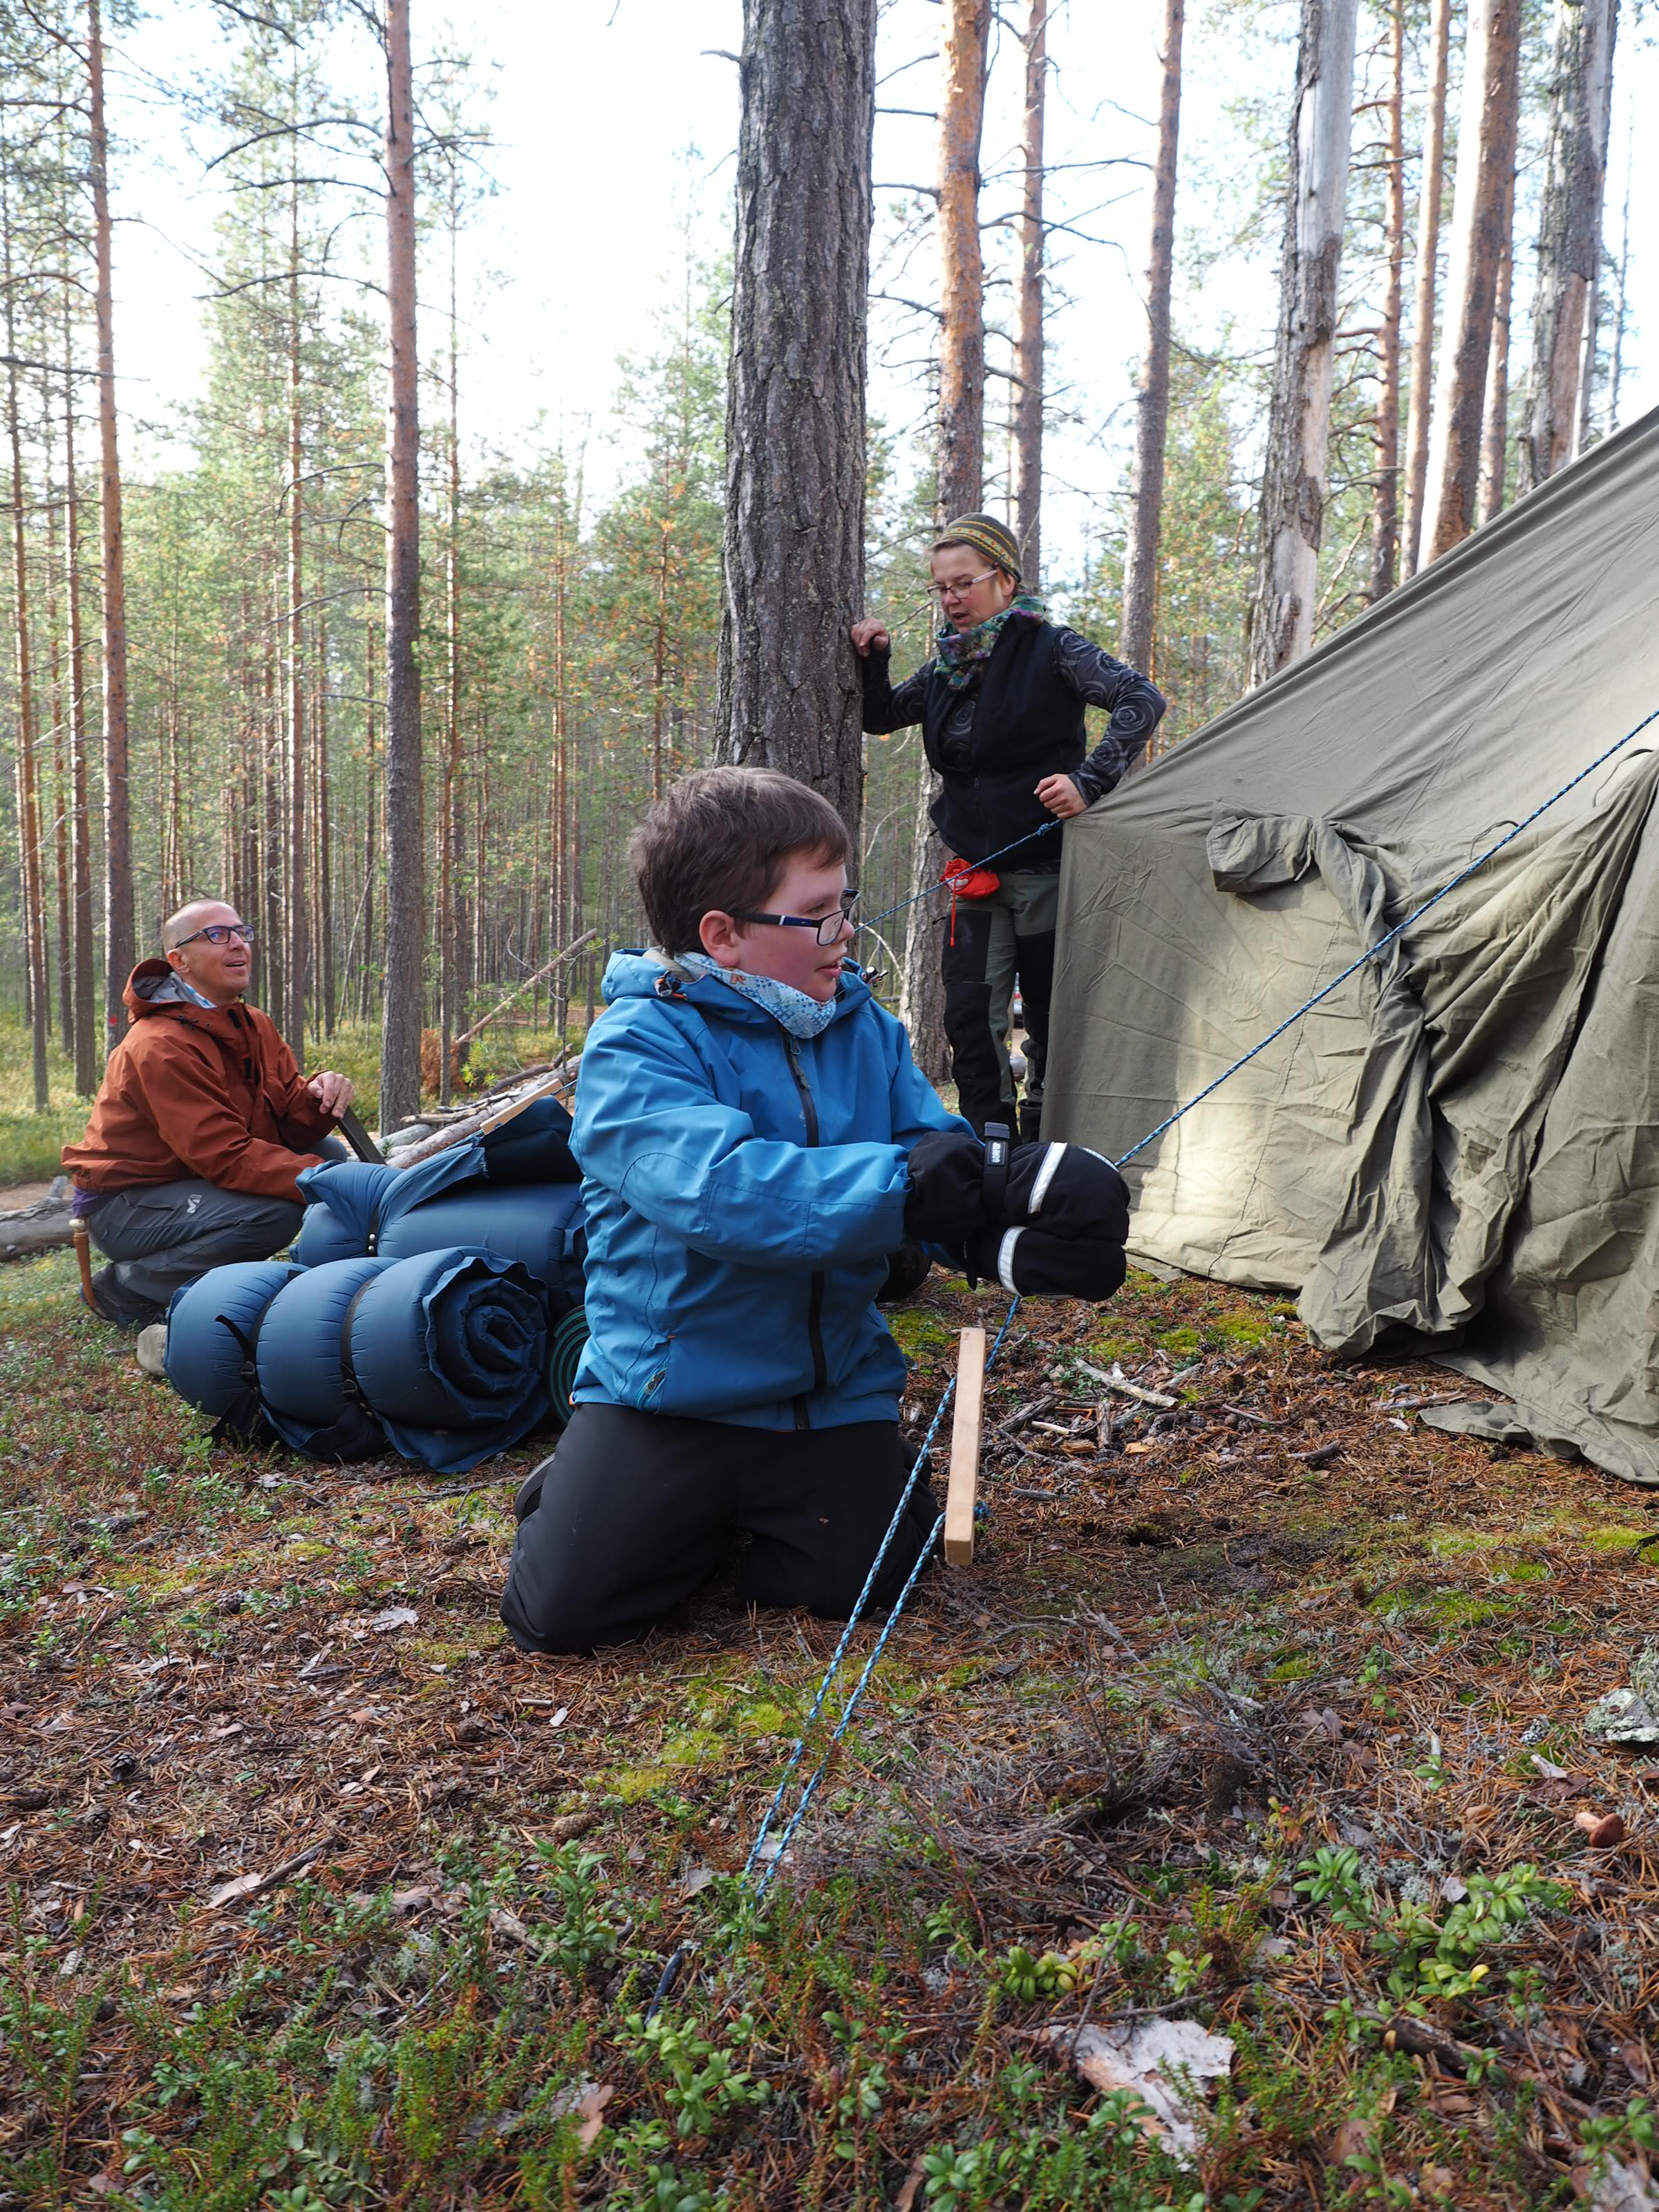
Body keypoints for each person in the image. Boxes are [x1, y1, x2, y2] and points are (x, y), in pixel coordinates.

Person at [500, 765, 1131, 1656]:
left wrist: (1009, 1230)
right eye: (821, 914)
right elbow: (729, 1192)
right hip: (671, 1400)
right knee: (560, 1618)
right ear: (723, 934)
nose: (845, 935)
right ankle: (597, 1491)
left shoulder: (863, 1026)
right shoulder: (639, 1045)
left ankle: (756, 1518)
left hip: (827, 1399)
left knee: (871, 1585)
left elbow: (928, 1153)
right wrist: (917, 1188)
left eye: (848, 906)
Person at [852, 513, 1166, 1141]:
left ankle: (1047, 1146)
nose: (951, 599)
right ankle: (990, 1150)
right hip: (974, 878)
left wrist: (1089, 782)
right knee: (970, 1020)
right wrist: (876, 660)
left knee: (1050, 1021)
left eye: (964, 583)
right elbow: (883, 715)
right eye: (940, 588)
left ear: (1006, 580)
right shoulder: (950, 665)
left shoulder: (1053, 647)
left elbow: (1141, 699)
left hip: (1052, 872)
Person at [62, 899, 355, 1332]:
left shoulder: (253, 1024)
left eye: (242, 932)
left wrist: (319, 1095)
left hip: (187, 1179)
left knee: (326, 1149)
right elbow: (224, 1155)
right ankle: (128, 1286)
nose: (238, 944)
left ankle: (187, 1277)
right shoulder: (159, 1044)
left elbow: (288, 1121)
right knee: (275, 1211)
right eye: (218, 935)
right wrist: (331, 1182)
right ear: (179, 960)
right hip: (125, 1206)